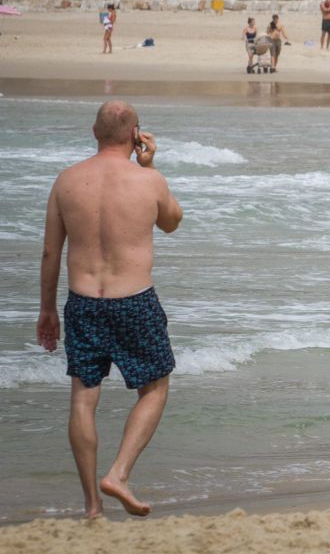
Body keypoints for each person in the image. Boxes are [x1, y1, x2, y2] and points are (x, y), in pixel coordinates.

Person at [37, 101, 184, 518]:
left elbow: (50, 252)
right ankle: (118, 473)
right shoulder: (148, 181)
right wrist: (150, 165)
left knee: (83, 400)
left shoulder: (66, 181)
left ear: (93, 132)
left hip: (82, 302)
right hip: (135, 300)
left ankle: (92, 506)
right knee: (155, 388)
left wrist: (47, 309)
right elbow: (172, 222)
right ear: (136, 134)